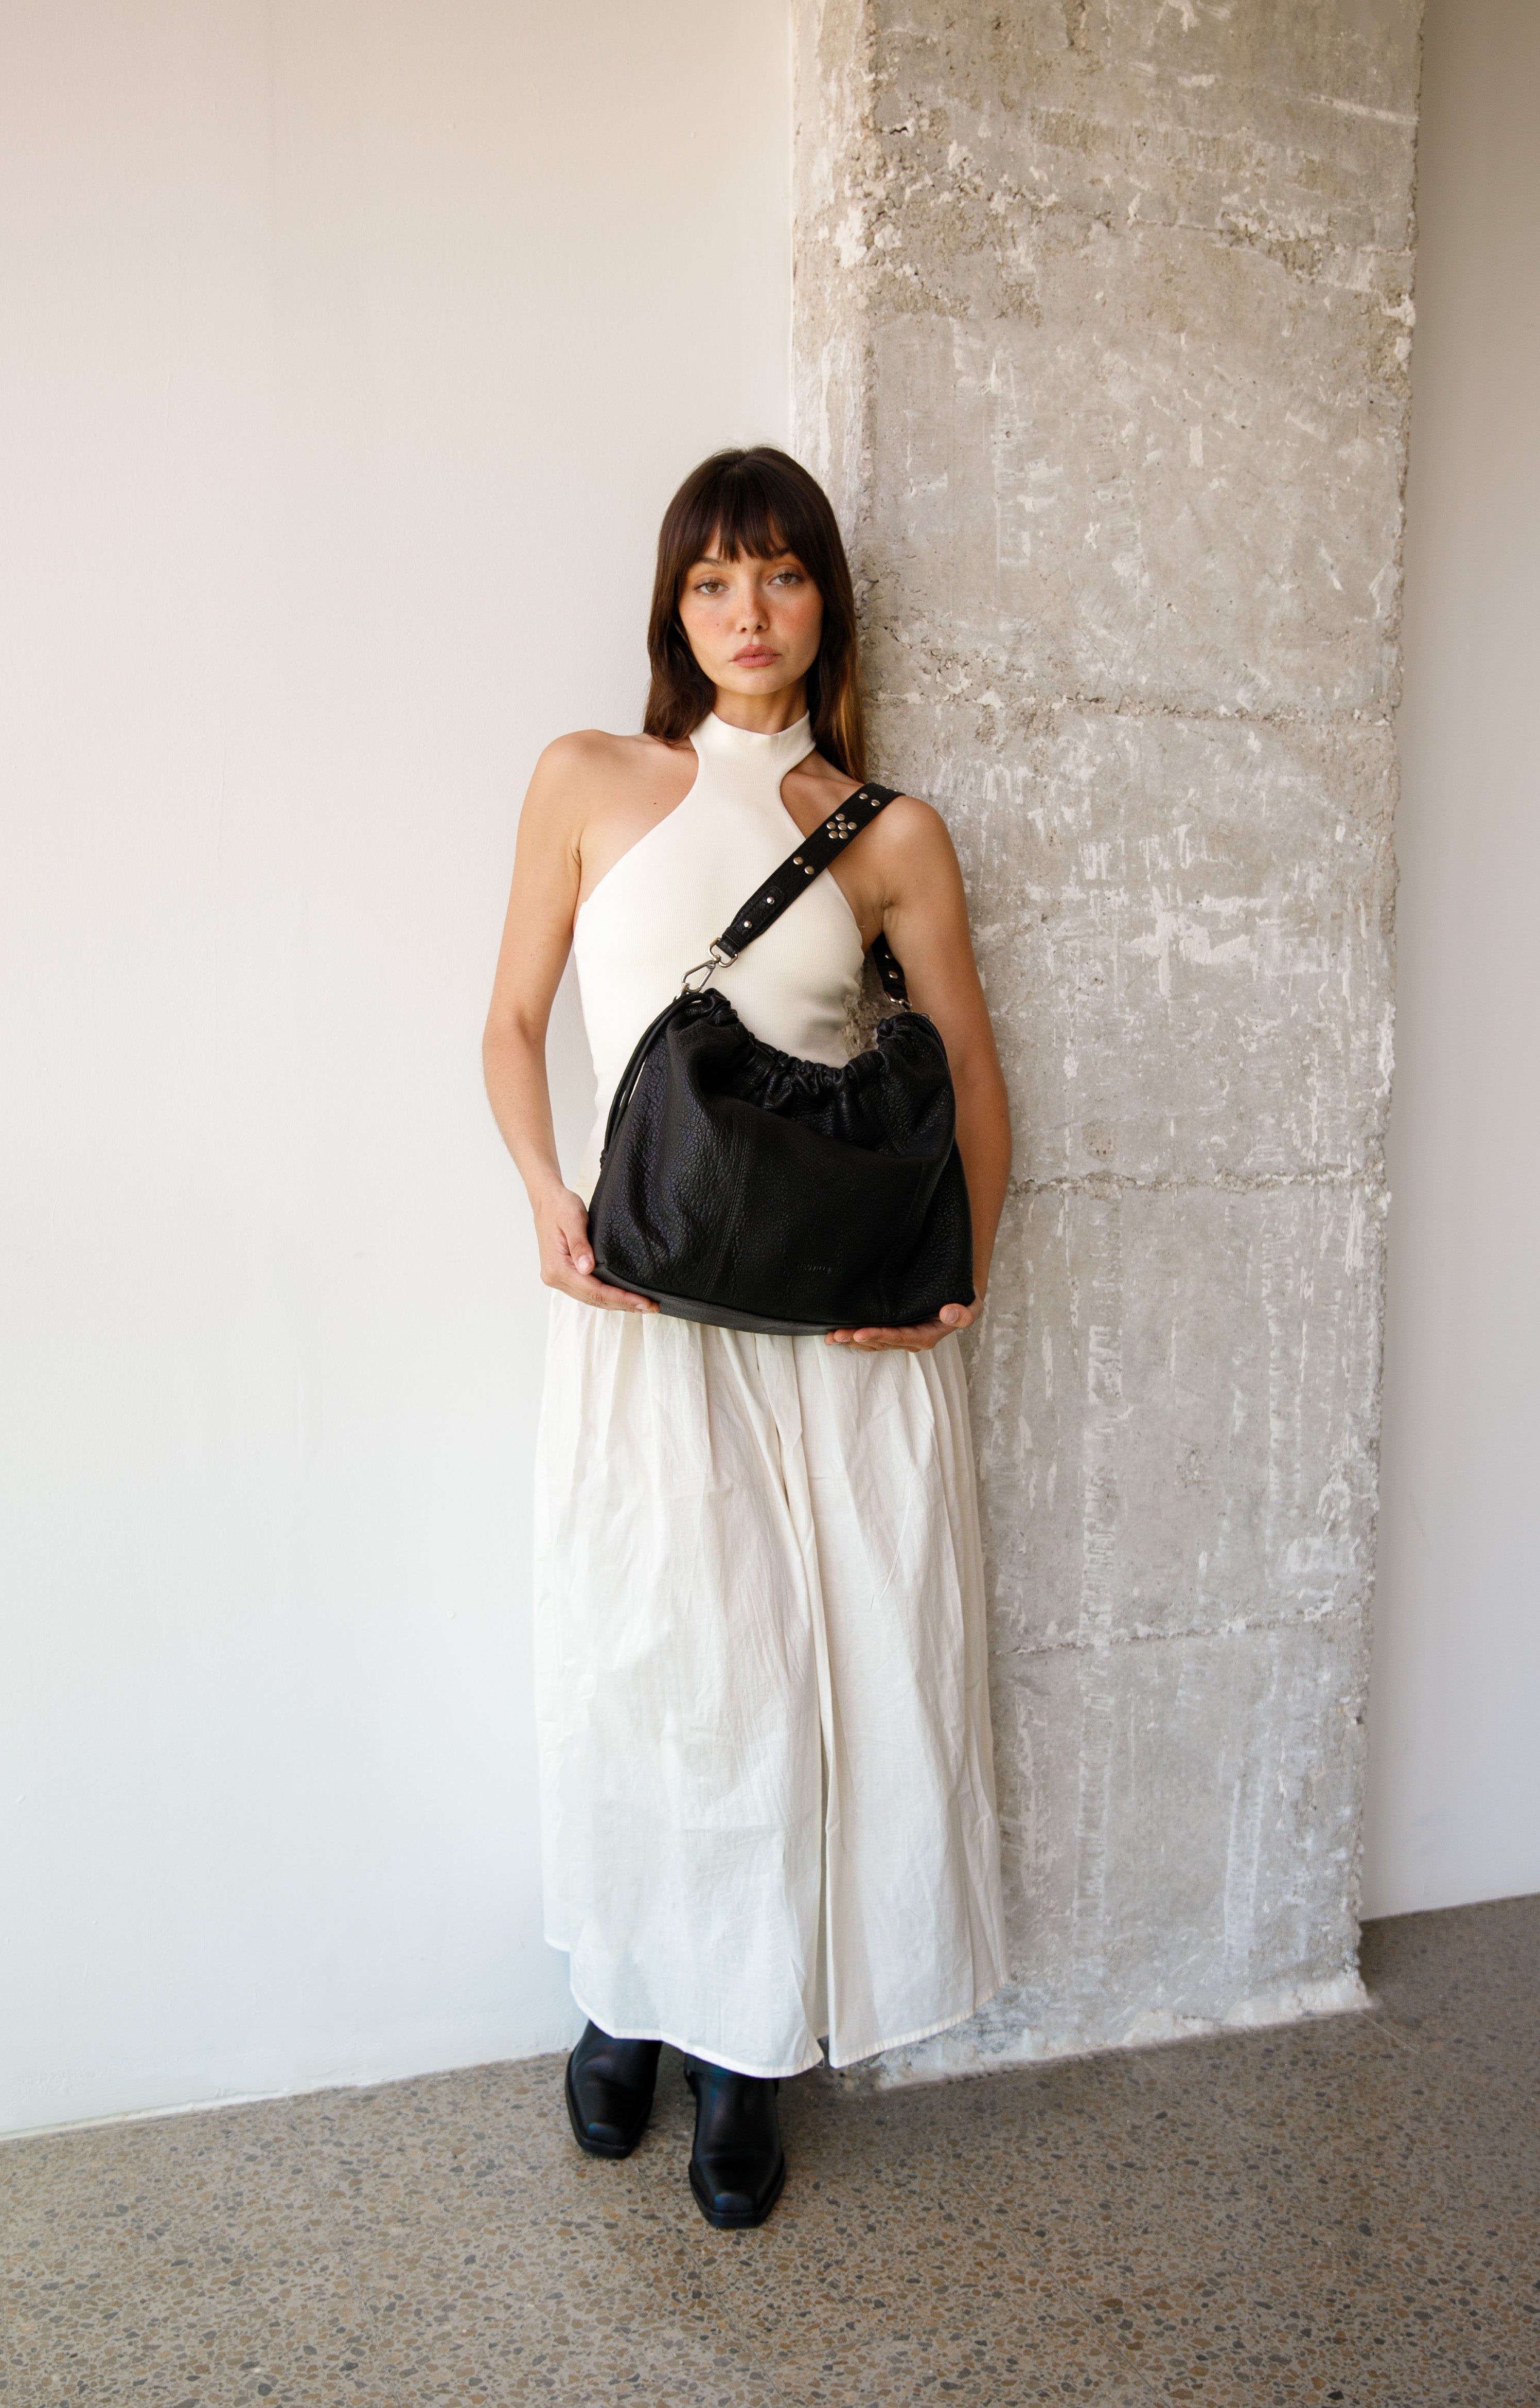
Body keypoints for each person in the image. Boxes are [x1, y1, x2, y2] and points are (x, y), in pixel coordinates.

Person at [483, 447, 1011, 2230]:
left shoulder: (887, 830)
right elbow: (510, 1021)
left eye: (782, 578)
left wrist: (963, 1279)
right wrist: (545, 1192)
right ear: (675, 608)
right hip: (638, 1314)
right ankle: (625, 2001)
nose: (750, 614)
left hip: (812, 1337)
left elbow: (970, 1075)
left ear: (823, 605)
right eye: (717, 583)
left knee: (789, 1700)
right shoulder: (587, 777)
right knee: (652, 1675)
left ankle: (745, 2054)